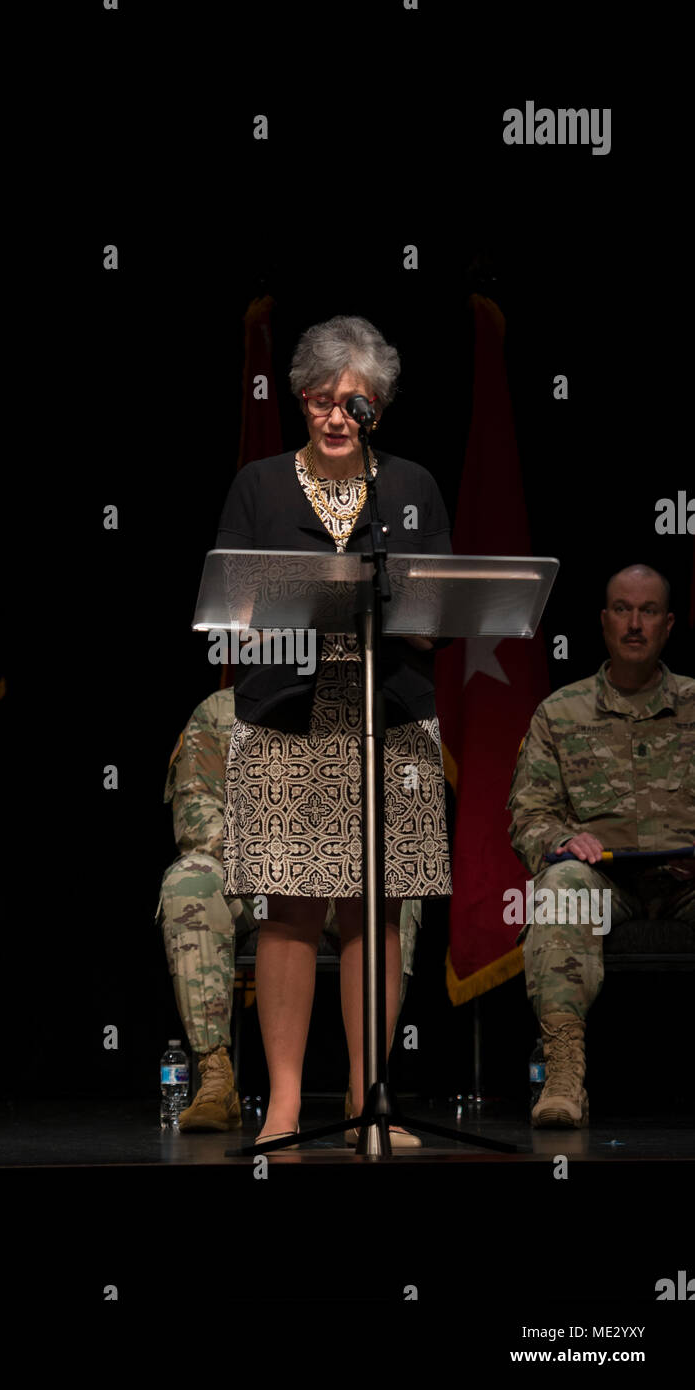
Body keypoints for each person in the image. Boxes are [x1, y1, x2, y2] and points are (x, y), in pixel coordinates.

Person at [213, 315, 453, 1148]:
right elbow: (231, 611)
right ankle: (281, 1105)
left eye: (356, 401)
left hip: (388, 717)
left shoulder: (413, 487)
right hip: (288, 719)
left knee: (376, 910)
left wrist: (402, 603)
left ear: (378, 405)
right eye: (322, 399)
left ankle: (366, 1103)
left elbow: (436, 618)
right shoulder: (261, 486)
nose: (337, 415)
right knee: (291, 908)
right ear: (302, 401)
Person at [157, 684, 421, 1133]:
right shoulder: (220, 711)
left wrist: (323, 854)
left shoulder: (364, 696)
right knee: (188, 880)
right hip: (246, 869)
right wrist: (267, 852)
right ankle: (216, 1076)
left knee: (393, 884)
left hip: (341, 866)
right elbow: (195, 812)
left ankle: (367, 1087)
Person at [507, 565, 695, 1128]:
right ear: (604, 621)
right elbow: (527, 814)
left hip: (690, 881)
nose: (634, 623)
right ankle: (564, 1074)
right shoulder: (559, 713)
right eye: (621, 609)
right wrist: (563, 839)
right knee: (560, 888)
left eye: (648, 611)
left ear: (668, 624)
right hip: (604, 881)